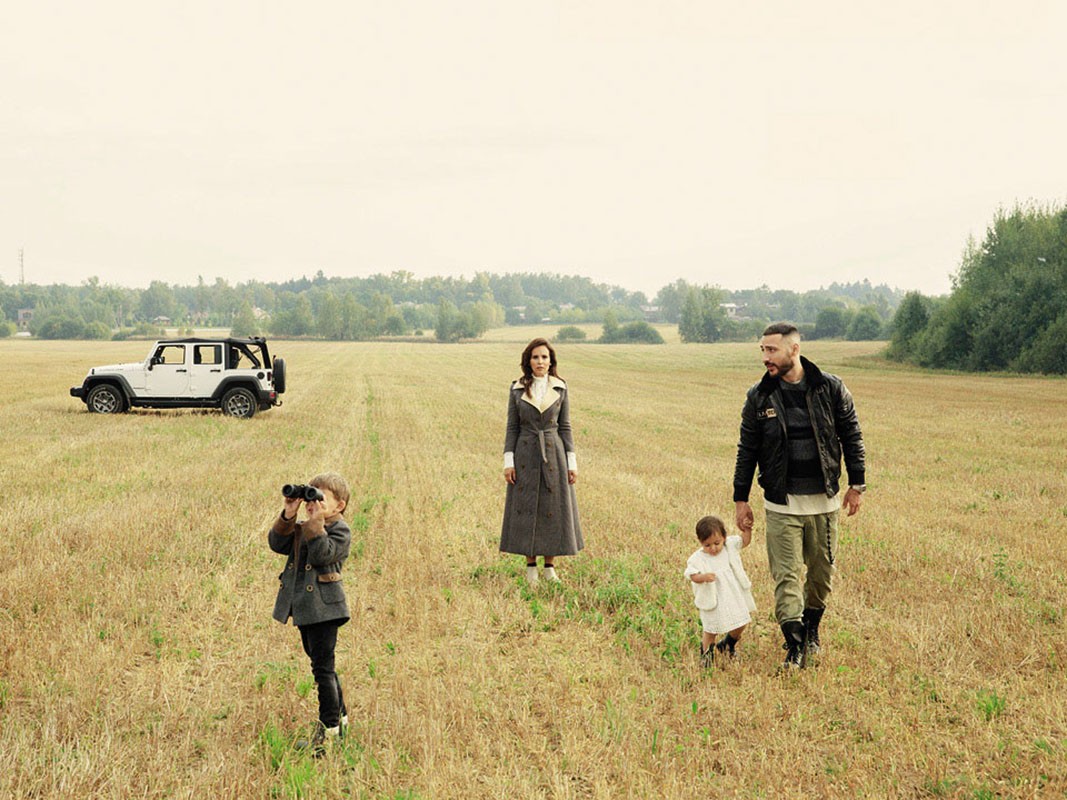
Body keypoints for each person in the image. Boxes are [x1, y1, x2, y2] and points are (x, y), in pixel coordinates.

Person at [733, 322, 866, 670]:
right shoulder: (758, 396)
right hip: (781, 504)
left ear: (794, 349)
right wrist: (741, 499)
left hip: (824, 503)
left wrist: (857, 483)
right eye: (762, 350)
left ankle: (811, 630)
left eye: (771, 350)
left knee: (822, 575)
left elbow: (852, 434)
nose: (765, 357)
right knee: (787, 577)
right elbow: (747, 450)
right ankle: (794, 647)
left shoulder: (830, 388)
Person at [268, 472, 352, 754]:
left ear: (339, 505)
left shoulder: (340, 530)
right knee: (324, 666)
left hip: (325, 610)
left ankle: (328, 733)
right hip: (307, 609)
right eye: (310, 496)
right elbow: (277, 544)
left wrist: (314, 523)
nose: (313, 503)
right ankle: (340, 722)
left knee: (322, 670)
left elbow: (321, 554)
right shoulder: (306, 526)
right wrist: (289, 514)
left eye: (320, 498)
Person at [501, 338, 583, 584]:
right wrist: (508, 461)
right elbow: (512, 427)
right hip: (525, 452)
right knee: (526, 507)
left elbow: (565, 427)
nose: (540, 361)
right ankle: (530, 568)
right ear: (528, 361)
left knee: (552, 508)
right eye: (535, 357)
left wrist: (571, 463)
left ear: (551, 361)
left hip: (553, 453)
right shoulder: (517, 389)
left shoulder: (560, 387)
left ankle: (549, 567)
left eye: (544, 357)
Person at [684, 515, 755, 665]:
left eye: (717, 543)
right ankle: (706, 655)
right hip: (713, 598)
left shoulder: (729, 546)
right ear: (700, 542)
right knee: (711, 629)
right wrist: (703, 577)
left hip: (732, 594)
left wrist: (747, 529)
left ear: (724, 537)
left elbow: (744, 541)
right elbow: (691, 575)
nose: (713, 548)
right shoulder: (698, 558)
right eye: (707, 545)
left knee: (741, 621)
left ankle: (727, 645)